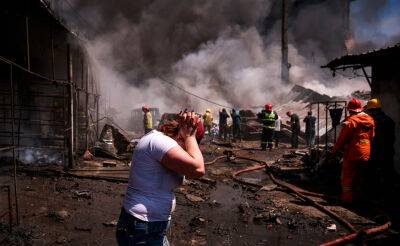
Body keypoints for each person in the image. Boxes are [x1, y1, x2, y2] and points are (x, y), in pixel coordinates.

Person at [116, 111, 205, 245]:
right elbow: (198, 169)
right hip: (143, 227)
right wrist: (190, 136)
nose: (188, 151)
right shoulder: (161, 142)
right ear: (182, 135)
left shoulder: (161, 141)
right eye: (189, 145)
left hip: (149, 226)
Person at [331, 98, 374, 204]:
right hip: (366, 151)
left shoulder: (351, 121)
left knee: (348, 176)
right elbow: (372, 136)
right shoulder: (370, 120)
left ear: (350, 110)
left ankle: (348, 199)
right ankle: (361, 198)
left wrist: (334, 151)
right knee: (361, 175)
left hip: (353, 152)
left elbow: (342, 139)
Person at [365, 98, 396, 192]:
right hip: (389, 151)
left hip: (376, 153)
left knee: (372, 174)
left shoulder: (373, 122)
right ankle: (388, 194)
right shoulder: (390, 120)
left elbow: (372, 138)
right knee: (388, 173)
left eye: (369, 111)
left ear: (372, 110)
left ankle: (374, 194)